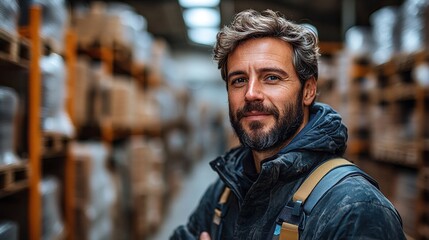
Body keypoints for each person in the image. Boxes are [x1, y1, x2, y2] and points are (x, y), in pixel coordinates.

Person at [170, 9, 405, 240]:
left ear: (308, 91)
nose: (251, 94)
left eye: (271, 77)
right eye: (239, 80)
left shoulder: (354, 209)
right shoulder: (225, 191)